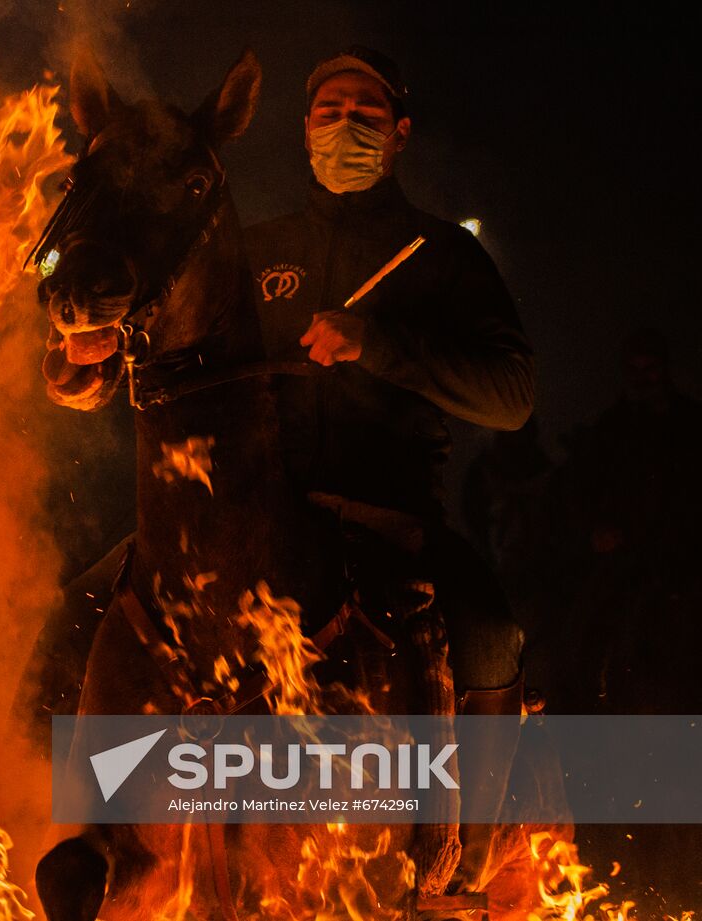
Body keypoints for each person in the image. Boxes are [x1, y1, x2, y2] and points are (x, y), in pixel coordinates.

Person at [241, 46, 535, 888]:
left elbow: (513, 395)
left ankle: (463, 862)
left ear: (400, 133)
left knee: (490, 633)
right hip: (264, 515)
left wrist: (380, 345)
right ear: (303, 131)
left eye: (365, 113)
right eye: (328, 110)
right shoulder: (256, 252)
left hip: (396, 523)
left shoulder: (440, 255)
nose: (345, 126)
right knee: (94, 600)